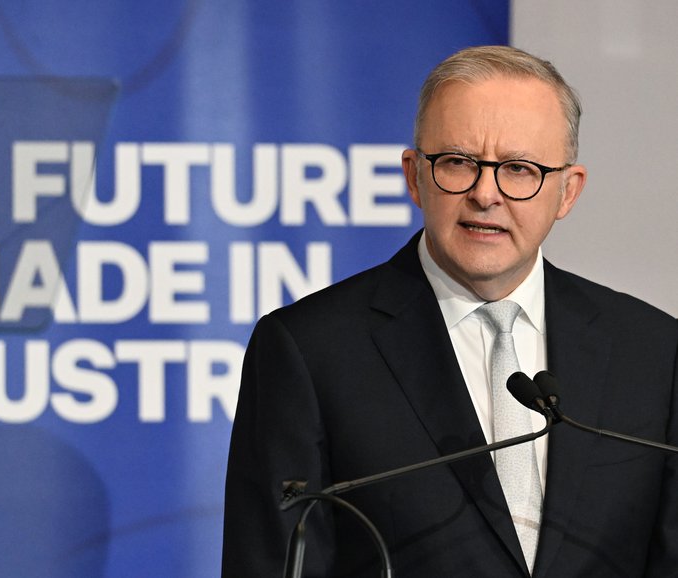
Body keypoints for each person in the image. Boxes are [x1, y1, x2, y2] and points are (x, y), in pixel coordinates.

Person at [221, 45, 678, 577]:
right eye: (458, 162)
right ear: (414, 176)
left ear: (567, 192)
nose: (487, 194)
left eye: (520, 168)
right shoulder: (310, 351)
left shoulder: (652, 352)